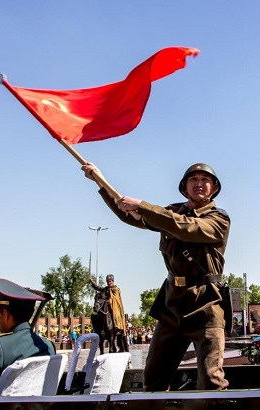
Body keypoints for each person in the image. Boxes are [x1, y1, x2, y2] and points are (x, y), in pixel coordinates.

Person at [82, 162, 231, 391]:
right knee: (153, 377)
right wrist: (100, 182)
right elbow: (131, 215)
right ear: (184, 187)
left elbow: (185, 227)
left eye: (205, 180)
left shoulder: (218, 219)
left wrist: (142, 206)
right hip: (172, 305)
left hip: (206, 305)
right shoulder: (171, 212)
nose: (199, 184)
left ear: (215, 188)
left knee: (211, 380)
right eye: (193, 179)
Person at [89, 274, 129, 352]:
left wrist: (108, 301)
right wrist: (92, 283)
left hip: (114, 307)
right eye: (108, 281)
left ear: (113, 281)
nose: (109, 283)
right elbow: (98, 288)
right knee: (96, 315)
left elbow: (115, 299)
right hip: (106, 306)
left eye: (110, 281)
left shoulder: (116, 289)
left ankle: (117, 328)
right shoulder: (106, 289)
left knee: (115, 314)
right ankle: (95, 328)